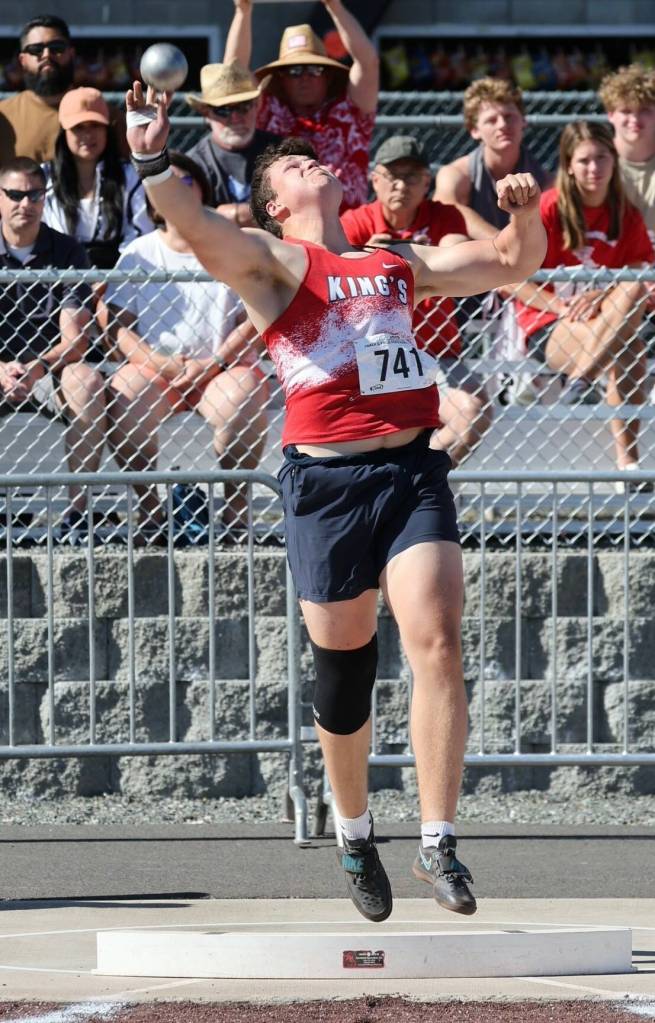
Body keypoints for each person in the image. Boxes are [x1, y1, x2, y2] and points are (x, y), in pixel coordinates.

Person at [126, 81, 546, 921]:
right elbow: (190, 220)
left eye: (315, 157)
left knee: (436, 640)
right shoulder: (273, 262)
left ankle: (437, 840)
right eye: (293, 165)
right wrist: (148, 152)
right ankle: (355, 832)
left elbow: (510, 265)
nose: (313, 162)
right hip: (325, 484)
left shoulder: (389, 259)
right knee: (344, 671)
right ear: (276, 203)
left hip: (410, 470)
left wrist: (525, 213)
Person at [102, 152, 268, 540]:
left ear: (202, 191)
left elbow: (255, 318)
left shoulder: (230, 245)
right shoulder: (138, 253)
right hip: (155, 371)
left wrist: (213, 362)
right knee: (124, 391)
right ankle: (150, 512)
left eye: (185, 181)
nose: (175, 189)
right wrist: (159, 363)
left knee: (243, 394)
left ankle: (235, 511)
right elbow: (118, 328)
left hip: (220, 370)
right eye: (167, 182)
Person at [511, 121, 654, 489]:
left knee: (633, 290)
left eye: (602, 158)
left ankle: (585, 378)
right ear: (569, 165)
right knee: (631, 350)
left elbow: (643, 280)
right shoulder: (548, 207)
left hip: (606, 324)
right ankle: (628, 461)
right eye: (585, 160)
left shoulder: (625, 214)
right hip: (552, 324)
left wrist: (600, 293)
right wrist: (561, 307)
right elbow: (508, 277)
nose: (594, 168)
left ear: (614, 160)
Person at [341, 135, 492, 466]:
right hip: (375, 353)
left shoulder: (444, 217)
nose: (401, 185)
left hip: (436, 352)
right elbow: (332, 281)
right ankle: (409, 481)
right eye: (392, 176)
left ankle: (417, 476)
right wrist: (366, 254)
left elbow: (458, 249)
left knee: (473, 412)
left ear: (427, 182)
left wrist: (424, 255)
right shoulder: (355, 223)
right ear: (375, 180)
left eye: (411, 177)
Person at [0, 157, 108, 542]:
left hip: (50, 368)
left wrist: (35, 368)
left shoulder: (66, 251)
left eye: (34, 195)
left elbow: (76, 340)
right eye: (14, 194)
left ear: (45, 199)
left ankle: (77, 515)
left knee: (88, 381)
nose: (24, 203)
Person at [223, 0, 379, 210]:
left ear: (328, 77)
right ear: (281, 78)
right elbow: (233, 74)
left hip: (347, 232)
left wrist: (334, 6)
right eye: (294, 71)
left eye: (314, 69)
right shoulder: (268, 112)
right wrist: (243, 11)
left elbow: (368, 63)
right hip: (285, 230)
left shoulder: (350, 113)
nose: (304, 78)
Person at [42, 87, 153, 268]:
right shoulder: (44, 176)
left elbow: (140, 234)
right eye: (78, 128)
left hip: (118, 278)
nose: (88, 135)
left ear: (107, 130)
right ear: (64, 133)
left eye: (95, 125)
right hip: (57, 276)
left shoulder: (130, 174)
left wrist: (112, 280)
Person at [0, 15, 127, 167]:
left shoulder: (104, 115)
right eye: (36, 50)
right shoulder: (4, 117)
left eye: (57, 48)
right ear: (23, 60)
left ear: (71, 54)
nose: (47, 55)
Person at [434, 77, 552, 238]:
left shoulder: (545, 179)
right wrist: (501, 245)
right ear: (474, 130)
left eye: (509, 116)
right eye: (491, 120)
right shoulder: (457, 173)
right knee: (453, 240)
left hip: (532, 258)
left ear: (523, 120)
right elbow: (445, 208)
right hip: (479, 257)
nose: (502, 124)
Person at [185, 60, 280, 225]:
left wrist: (236, 214)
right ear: (206, 114)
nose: (235, 118)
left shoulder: (282, 152)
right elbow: (191, 222)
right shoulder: (194, 164)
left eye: (243, 106)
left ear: (257, 106)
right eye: (223, 110)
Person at [599, 64, 655, 245]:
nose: (635, 120)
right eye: (626, 111)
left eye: (644, 110)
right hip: (610, 263)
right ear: (610, 114)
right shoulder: (594, 162)